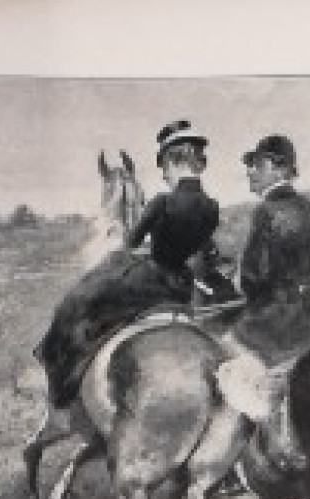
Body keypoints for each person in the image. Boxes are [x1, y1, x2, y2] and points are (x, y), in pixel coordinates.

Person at [35, 120, 223, 408]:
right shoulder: (211, 206)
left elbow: (131, 243)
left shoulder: (161, 202)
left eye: (164, 168)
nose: (163, 175)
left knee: (81, 298)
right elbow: (199, 247)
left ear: (174, 161)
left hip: (151, 279)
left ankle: (60, 379)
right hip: (183, 285)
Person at [230, 133, 310, 365]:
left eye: (259, 164)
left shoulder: (265, 212)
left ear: (281, 169)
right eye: (251, 166)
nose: (251, 171)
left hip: (277, 324)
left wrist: (247, 295)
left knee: (227, 357)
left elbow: (253, 277)